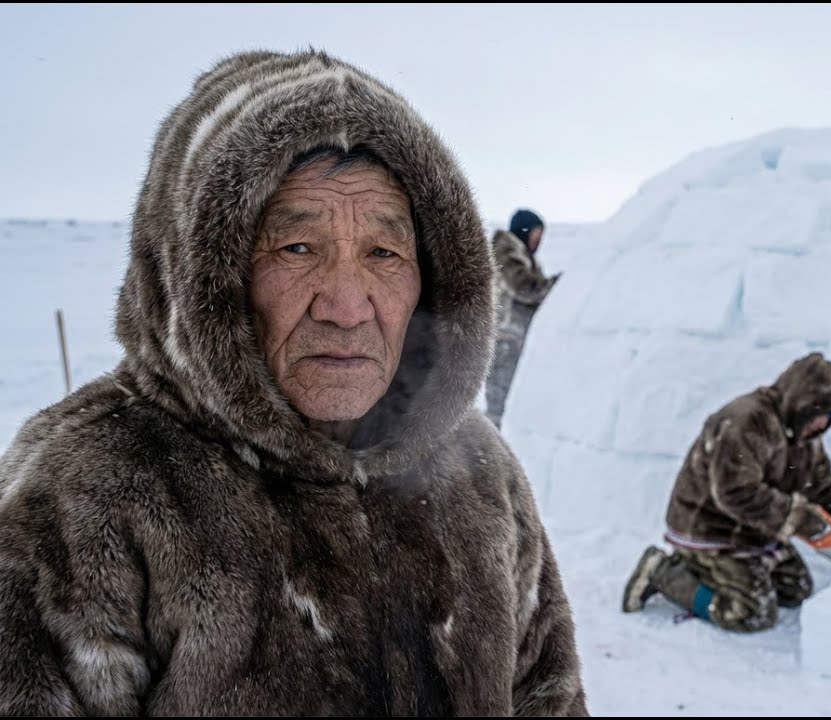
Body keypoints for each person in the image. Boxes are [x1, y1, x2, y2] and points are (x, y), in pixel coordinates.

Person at [0, 50, 586, 715]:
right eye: (296, 248)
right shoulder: (84, 494)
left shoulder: (478, 472)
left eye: (384, 253)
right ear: (209, 274)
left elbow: (550, 699)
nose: (345, 305)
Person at [621, 352, 831, 632]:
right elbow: (736, 493)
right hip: (710, 528)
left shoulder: (805, 436)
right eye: (821, 414)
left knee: (795, 589)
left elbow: (823, 486)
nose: (824, 424)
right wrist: (797, 518)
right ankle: (663, 571)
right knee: (751, 612)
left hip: (753, 529)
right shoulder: (748, 422)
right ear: (802, 402)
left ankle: (722, 571)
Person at [486, 208, 559, 429]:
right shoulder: (506, 251)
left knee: (512, 406)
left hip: (516, 339)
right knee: (501, 406)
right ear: (524, 230)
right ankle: (489, 456)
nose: (539, 240)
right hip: (506, 338)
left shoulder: (523, 257)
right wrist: (554, 285)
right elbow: (524, 287)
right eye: (536, 233)